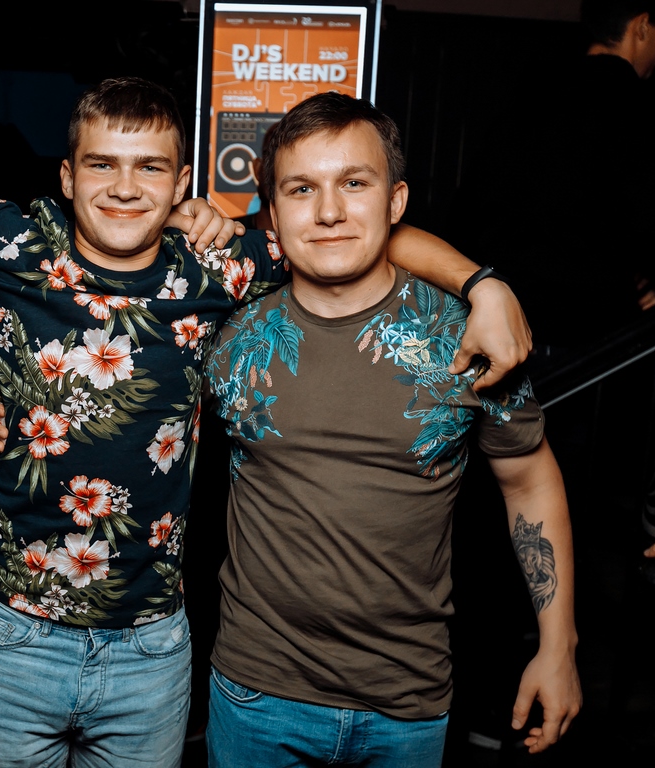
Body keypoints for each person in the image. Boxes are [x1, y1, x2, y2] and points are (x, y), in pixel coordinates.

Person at [0, 73, 531, 765]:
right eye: (103, 165)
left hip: (153, 646)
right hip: (9, 635)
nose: (124, 187)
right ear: (67, 175)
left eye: (150, 168)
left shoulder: (215, 266)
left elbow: (358, 233)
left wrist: (481, 283)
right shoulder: (3, 241)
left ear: (183, 183)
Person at [196, 92, 581, 767]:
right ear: (272, 215)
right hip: (258, 692)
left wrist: (559, 645)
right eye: (301, 189)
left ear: (396, 200)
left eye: (355, 183)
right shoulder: (226, 328)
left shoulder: (467, 337)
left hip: (408, 702)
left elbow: (529, 481)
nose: (329, 211)